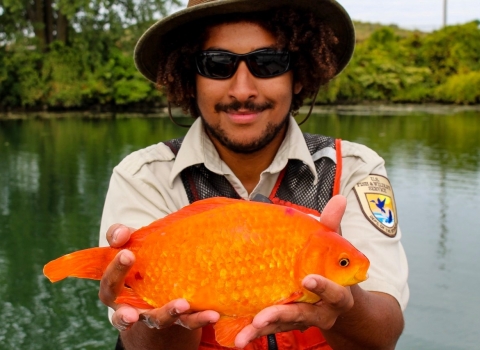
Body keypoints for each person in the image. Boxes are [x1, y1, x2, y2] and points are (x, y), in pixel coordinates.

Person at [98, 0, 409, 349]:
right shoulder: (143, 177)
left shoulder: (355, 168)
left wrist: (345, 305)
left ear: (299, 75)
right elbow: (139, 340)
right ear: (190, 77)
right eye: (217, 65)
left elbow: (383, 335)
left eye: (269, 63)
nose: (242, 90)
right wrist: (163, 320)